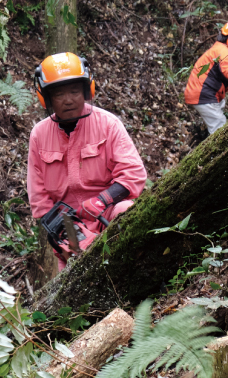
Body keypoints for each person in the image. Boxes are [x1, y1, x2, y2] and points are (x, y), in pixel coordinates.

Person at [28, 53, 148, 268]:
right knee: (74, 268)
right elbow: (39, 198)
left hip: (108, 212)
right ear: (46, 98)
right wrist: (62, 232)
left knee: (126, 211)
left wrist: (101, 201)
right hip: (67, 224)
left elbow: (134, 174)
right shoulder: (39, 134)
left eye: (74, 91)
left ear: (86, 90)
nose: (68, 99)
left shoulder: (108, 124)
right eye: (59, 94)